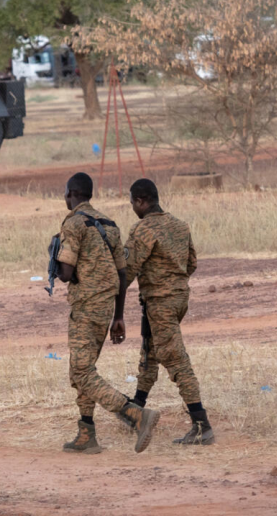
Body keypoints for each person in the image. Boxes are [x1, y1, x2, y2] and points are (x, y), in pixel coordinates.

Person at [56, 172, 160, 454]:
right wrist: (118, 316)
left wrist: (54, 261)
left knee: (81, 370)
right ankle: (86, 433)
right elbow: (122, 273)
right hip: (105, 309)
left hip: (86, 307)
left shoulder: (73, 224)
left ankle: (134, 415)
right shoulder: (109, 225)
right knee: (82, 369)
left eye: (65, 194)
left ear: (71, 194)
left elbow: (65, 273)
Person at [119, 178, 214, 445]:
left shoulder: (142, 229)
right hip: (179, 298)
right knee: (150, 352)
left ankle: (201, 425)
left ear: (140, 201)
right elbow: (191, 263)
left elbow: (128, 271)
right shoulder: (180, 225)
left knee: (175, 359)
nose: (132, 208)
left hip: (159, 302)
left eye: (132, 203)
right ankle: (135, 410)